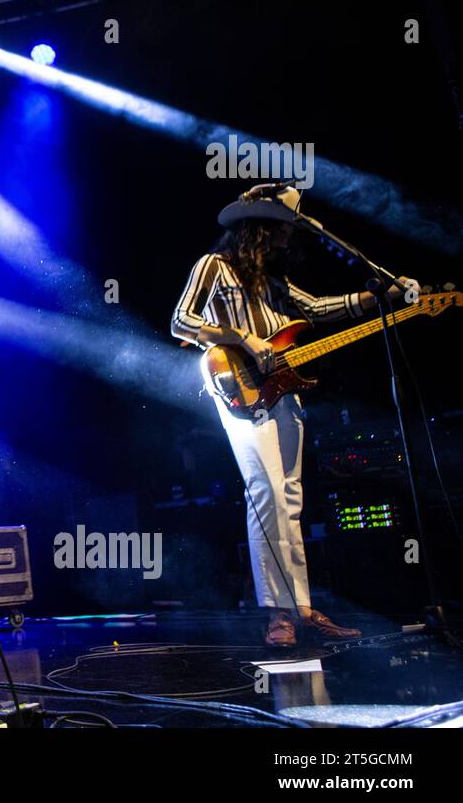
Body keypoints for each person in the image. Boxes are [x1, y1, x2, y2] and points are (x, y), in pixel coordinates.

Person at [171, 183, 416, 648]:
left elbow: (318, 309)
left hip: (284, 392)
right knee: (264, 492)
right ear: (260, 230)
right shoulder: (214, 266)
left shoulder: (274, 280)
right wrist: (243, 338)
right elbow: (180, 320)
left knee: (291, 496)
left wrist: (376, 297)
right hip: (237, 386)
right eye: (282, 230)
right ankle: (277, 613)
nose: (288, 238)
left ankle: (301, 607)